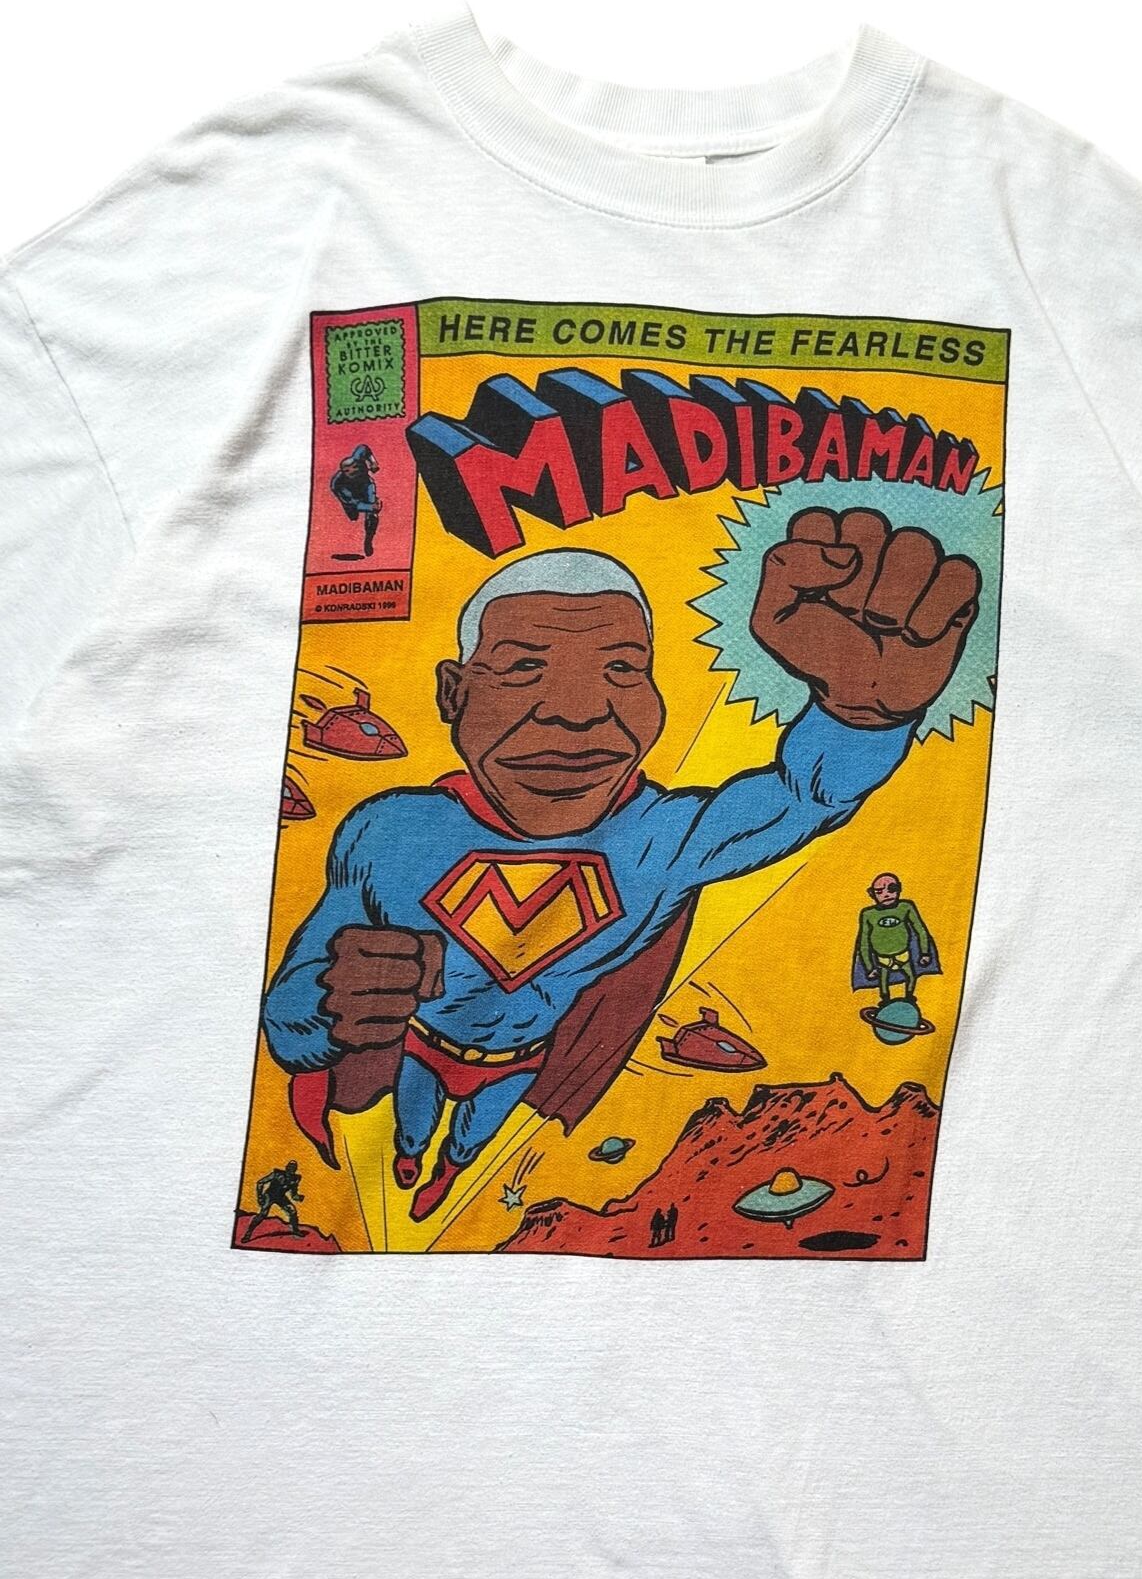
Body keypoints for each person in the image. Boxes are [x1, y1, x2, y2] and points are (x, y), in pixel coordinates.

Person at [262, 508, 980, 1219]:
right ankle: (412, 1157)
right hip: (424, 1045)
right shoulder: (389, 831)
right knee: (411, 1127)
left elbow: (801, 798)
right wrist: (330, 1003)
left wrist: (861, 715)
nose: (578, 713)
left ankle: (446, 1170)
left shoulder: (662, 839)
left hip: (521, 1059)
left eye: (622, 669)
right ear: (455, 692)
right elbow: (289, 1018)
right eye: (523, 668)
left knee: (471, 1138)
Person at [853, 871, 940, 1010]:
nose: (886, 894)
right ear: (873, 894)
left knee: (911, 976)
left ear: (899, 889)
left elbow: (920, 930)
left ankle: (909, 998)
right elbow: (864, 942)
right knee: (883, 982)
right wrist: (869, 967)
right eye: (880, 891)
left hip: (903, 955)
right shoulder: (868, 914)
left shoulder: (905, 907)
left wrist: (925, 953)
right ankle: (885, 1002)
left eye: (892, 889)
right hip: (882, 959)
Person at [328, 444, 381, 560]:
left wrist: (373, 462)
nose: (357, 472)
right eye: (352, 473)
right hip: (351, 497)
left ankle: (369, 538)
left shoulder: (358, 456)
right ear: (345, 472)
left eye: (358, 468)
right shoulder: (338, 486)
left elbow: (364, 448)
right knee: (353, 515)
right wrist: (369, 507)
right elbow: (353, 503)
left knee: (373, 515)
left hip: (366, 486)